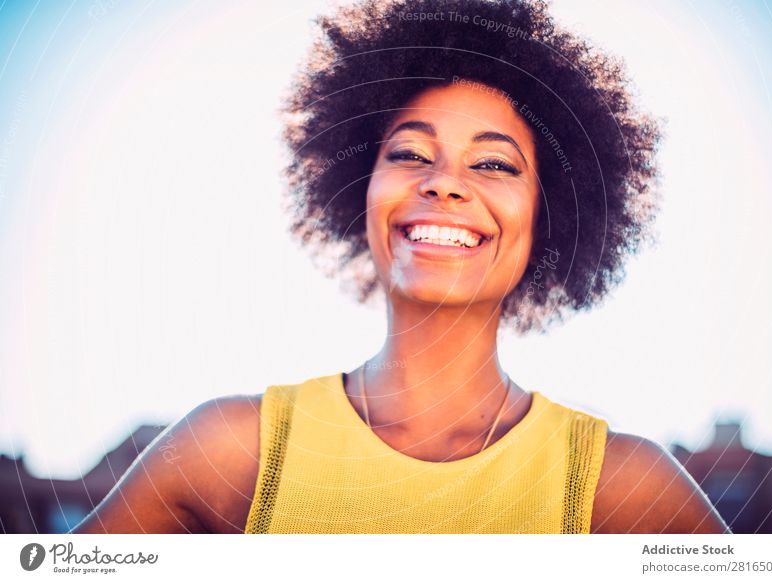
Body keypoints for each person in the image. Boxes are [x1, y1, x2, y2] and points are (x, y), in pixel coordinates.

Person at [71, 0, 729, 534]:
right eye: (410, 153)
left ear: (549, 216)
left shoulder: (621, 489)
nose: (444, 181)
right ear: (361, 188)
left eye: (495, 163)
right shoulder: (230, 453)